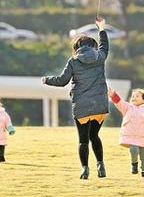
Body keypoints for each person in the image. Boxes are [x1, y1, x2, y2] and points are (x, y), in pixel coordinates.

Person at [42, 16, 109, 179]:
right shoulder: (100, 57)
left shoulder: (73, 61)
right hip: (100, 105)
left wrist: (46, 79)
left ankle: (85, 170)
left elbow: (62, 81)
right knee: (95, 136)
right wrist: (101, 28)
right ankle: (101, 167)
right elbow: (105, 45)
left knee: (83, 140)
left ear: (77, 47)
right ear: (92, 46)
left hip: (82, 106)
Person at [108, 87, 144, 178]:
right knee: (133, 149)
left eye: (137, 96)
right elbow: (120, 103)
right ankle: (134, 164)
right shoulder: (128, 107)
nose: (134, 98)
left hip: (143, 136)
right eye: (133, 96)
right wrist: (113, 95)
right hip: (130, 136)